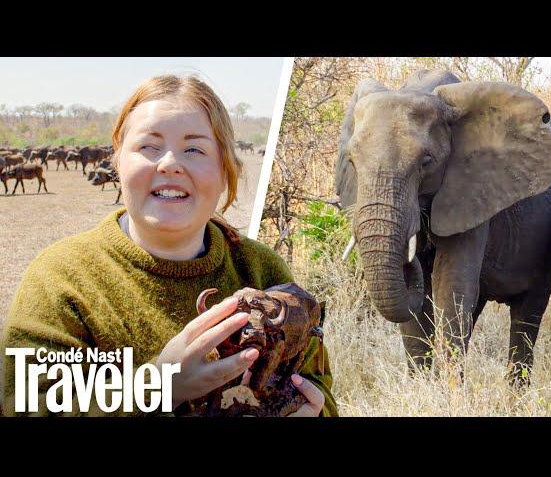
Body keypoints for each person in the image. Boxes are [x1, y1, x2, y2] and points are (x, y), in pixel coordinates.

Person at [1, 74, 337, 417]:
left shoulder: (261, 268)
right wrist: (157, 387)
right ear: (117, 161)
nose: (170, 164)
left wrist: (309, 410)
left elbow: (317, 384)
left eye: (194, 149)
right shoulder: (60, 279)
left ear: (225, 170)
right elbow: (23, 406)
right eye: (149, 146)